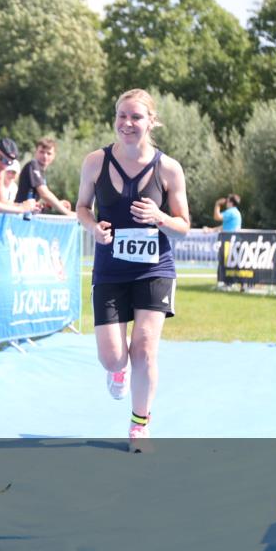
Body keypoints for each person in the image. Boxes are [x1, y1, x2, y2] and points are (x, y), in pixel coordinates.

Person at [75, 89, 190, 454]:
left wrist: (159, 218)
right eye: (122, 116)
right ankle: (118, 371)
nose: (127, 123)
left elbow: (184, 224)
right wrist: (92, 227)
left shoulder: (168, 168)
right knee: (113, 357)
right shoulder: (96, 162)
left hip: (154, 269)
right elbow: (81, 207)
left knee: (145, 349)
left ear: (151, 122)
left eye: (136, 117)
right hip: (109, 269)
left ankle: (139, 424)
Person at [15, 137, 75, 216]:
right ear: (36, 152)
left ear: (54, 156)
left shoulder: (40, 172)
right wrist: (67, 212)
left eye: (49, 153)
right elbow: (44, 193)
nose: (45, 156)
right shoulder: (33, 165)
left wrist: (52, 204)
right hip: (19, 216)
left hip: (26, 217)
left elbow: (36, 202)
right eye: (42, 152)